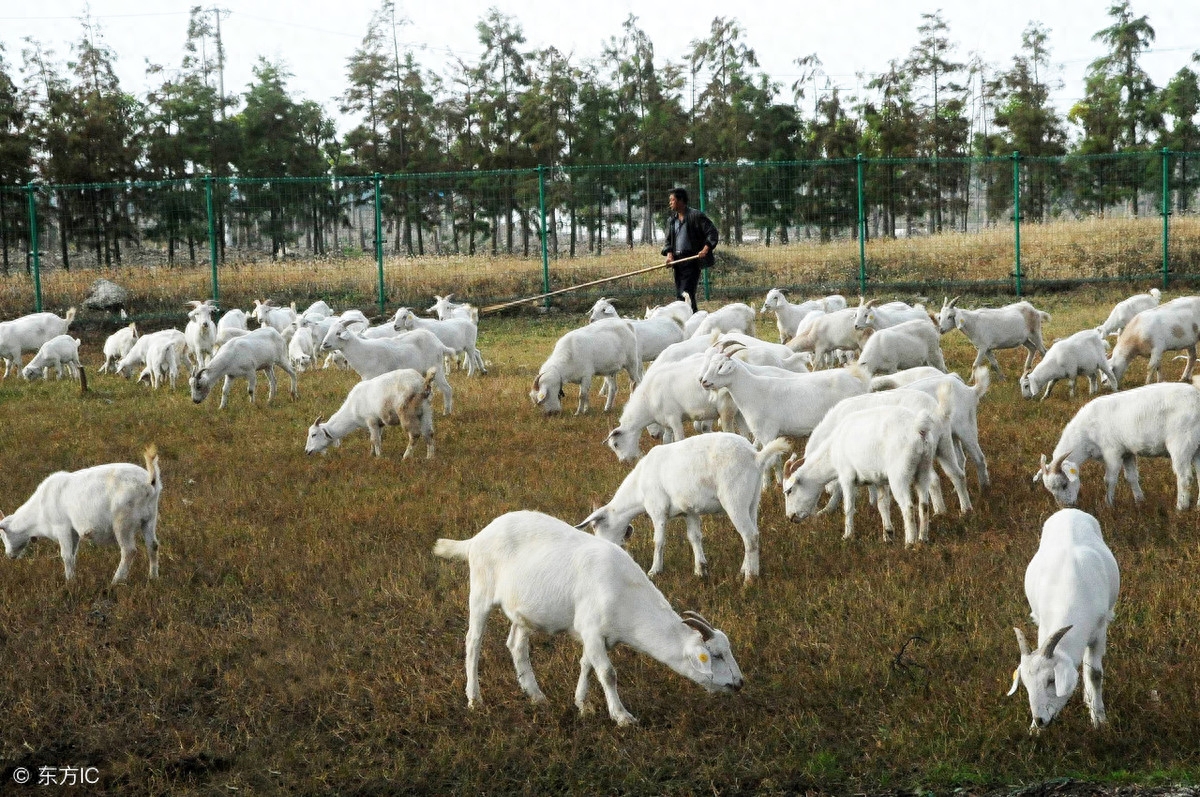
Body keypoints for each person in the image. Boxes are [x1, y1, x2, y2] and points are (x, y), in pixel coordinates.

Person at [661, 187, 718, 312]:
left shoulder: (696, 216)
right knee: (681, 294)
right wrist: (669, 255)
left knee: (685, 293)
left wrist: (705, 249)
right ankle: (691, 317)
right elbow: (668, 241)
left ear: (680, 200)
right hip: (677, 261)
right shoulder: (672, 221)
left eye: (672, 200)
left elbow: (712, 232)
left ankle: (689, 319)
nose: (670, 203)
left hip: (692, 259)